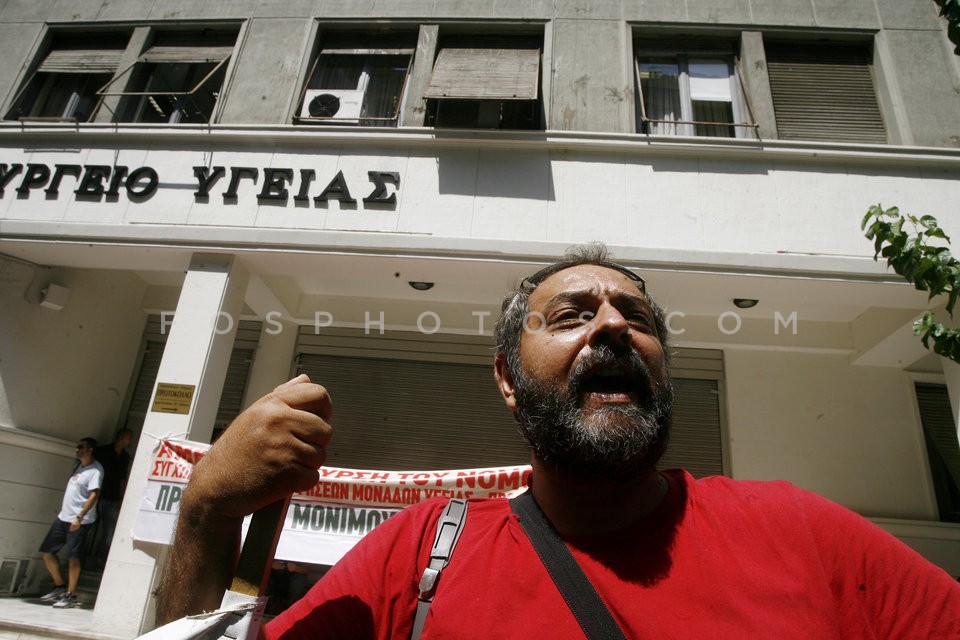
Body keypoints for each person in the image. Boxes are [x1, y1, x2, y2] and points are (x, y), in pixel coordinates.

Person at [156, 244, 960, 638]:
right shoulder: (419, 558)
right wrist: (205, 514)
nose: (612, 324)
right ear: (507, 379)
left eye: (636, 318)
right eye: (573, 314)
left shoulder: (806, 537)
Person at [38, 437, 103, 609]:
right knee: (46, 552)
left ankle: (70, 595)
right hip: (63, 517)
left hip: (80, 520)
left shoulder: (95, 470)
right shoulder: (78, 466)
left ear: (90, 450)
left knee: (73, 558)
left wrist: (80, 517)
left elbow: (94, 495)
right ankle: (59, 586)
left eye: (80, 447)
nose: (76, 449)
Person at [92, 427, 133, 569]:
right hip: (97, 495)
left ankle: (99, 560)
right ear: (121, 438)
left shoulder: (125, 457)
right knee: (88, 527)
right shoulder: (103, 452)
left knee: (108, 533)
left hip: (113, 498)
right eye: (129, 438)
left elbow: (122, 478)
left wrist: (121, 498)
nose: (130, 441)